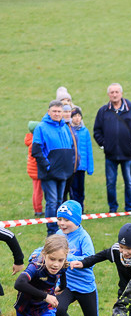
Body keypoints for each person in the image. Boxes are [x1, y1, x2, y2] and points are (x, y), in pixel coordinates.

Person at [49, 201, 113, 316]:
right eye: (59, 219)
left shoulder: (84, 237)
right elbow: (49, 251)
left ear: (77, 220)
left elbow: (90, 259)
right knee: (58, 309)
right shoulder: (58, 235)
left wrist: (71, 259)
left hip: (85, 287)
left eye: (66, 220)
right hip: (67, 285)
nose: (62, 223)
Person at [32, 101, 77, 236]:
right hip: (49, 172)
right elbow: (36, 150)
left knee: (59, 201)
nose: (57, 114)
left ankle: (60, 230)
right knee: (51, 202)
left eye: (59, 111)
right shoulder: (41, 127)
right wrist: (47, 165)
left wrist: (70, 165)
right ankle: (51, 231)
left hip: (64, 172)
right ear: (49, 112)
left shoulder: (65, 127)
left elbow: (70, 148)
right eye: (54, 111)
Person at [65, 107, 93, 207]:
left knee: (81, 189)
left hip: (82, 166)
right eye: (74, 116)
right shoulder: (69, 130)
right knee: (73, 189)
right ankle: (73, 208)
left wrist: (90, 167)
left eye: (79, 116)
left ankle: (81, 207)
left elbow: (89, 149)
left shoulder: (85, 131)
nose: (77, 118)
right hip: (73, 166)